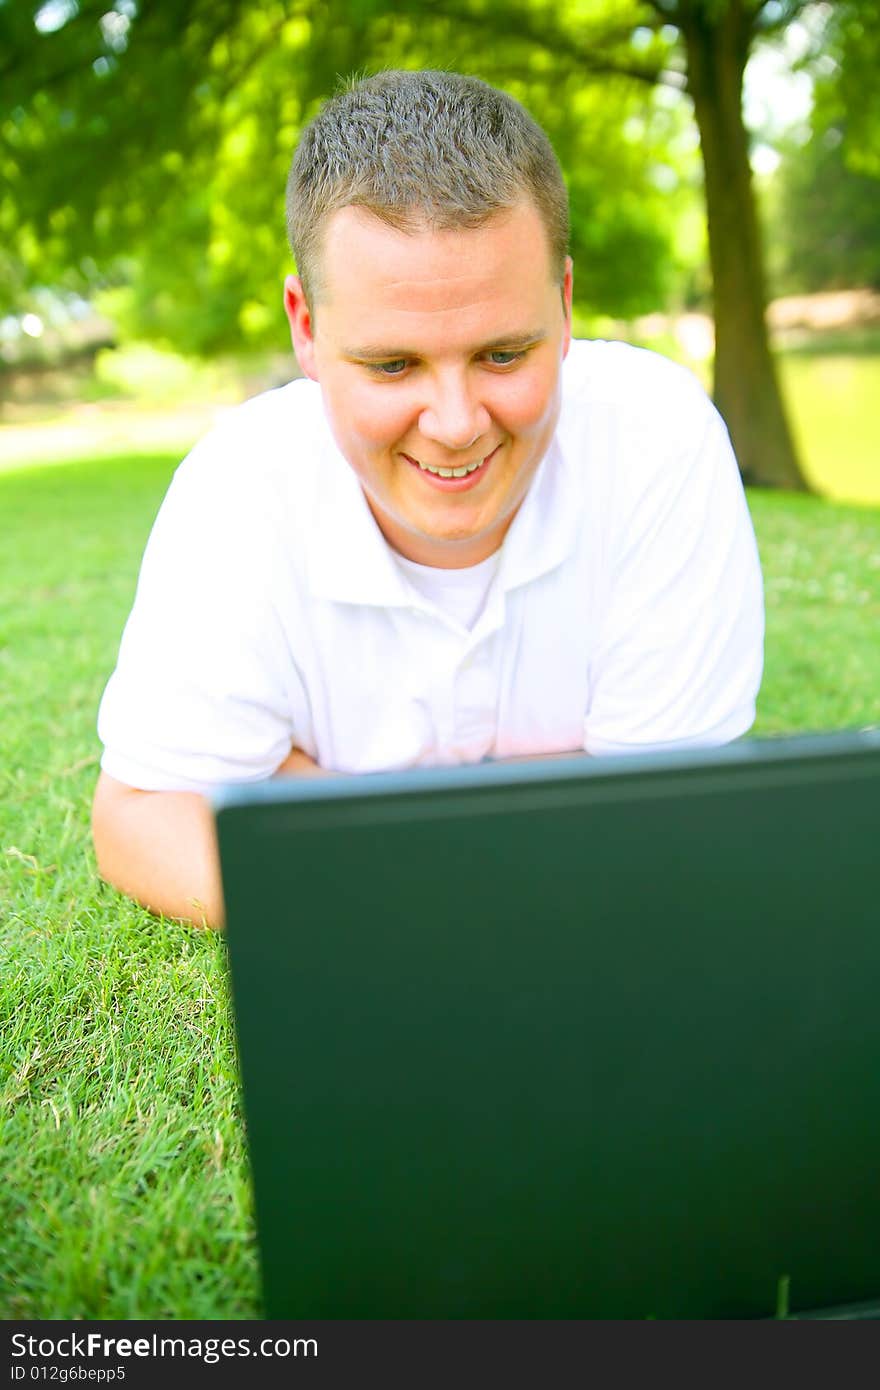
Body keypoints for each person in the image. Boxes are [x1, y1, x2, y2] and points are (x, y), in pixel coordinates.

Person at [91, 69, 764, 929]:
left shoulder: (661, 439)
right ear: (305, 328)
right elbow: (142, 814)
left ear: (564, 307)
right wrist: (539, 805)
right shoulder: (237, 488)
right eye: (392, 364)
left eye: (503, 354)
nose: (453, 424)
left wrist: (306, 796)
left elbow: (658, 825)